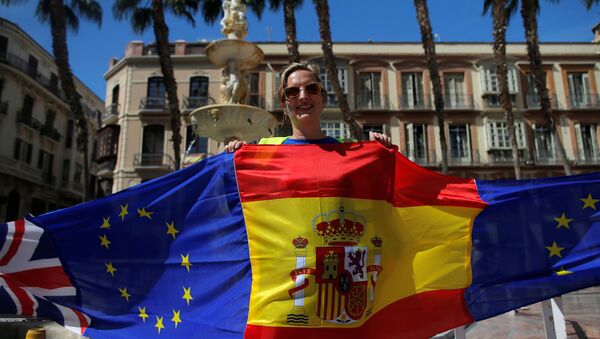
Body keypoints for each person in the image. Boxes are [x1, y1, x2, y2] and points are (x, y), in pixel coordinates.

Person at [224, 63, 392, 152]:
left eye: (312, 89)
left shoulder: (349, 149)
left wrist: (381, 155)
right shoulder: (265, 149)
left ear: (323, 98)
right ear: (284, 104)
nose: (303, 96)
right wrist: (234, 155)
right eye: (292, 92)